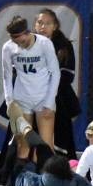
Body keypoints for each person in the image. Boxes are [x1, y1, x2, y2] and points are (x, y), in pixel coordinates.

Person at [0, 15, 60, 160]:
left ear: (27, 32)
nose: (19, 45)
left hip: (43, 98)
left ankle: (45, 174)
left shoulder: (44, 44)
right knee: (23, 146)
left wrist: (49, 102)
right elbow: (6, 76)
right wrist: (9, 102)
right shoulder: (8, 47)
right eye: (15, 41)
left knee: (46, 146)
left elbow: (55, 73)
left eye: (21, 41)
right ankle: (25, 174)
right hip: (22, 99)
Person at [34, 8, 80, 159]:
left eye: (48, 23)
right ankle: (28, 166)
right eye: (40, 22)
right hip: (31, 96)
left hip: (58, 98)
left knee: (60, 137)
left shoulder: (64, 46)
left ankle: (61, 166)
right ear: (35, 25)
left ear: (55, 26)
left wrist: (49, 91)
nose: (43, 27)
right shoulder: (26, 44)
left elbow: (68, 75)